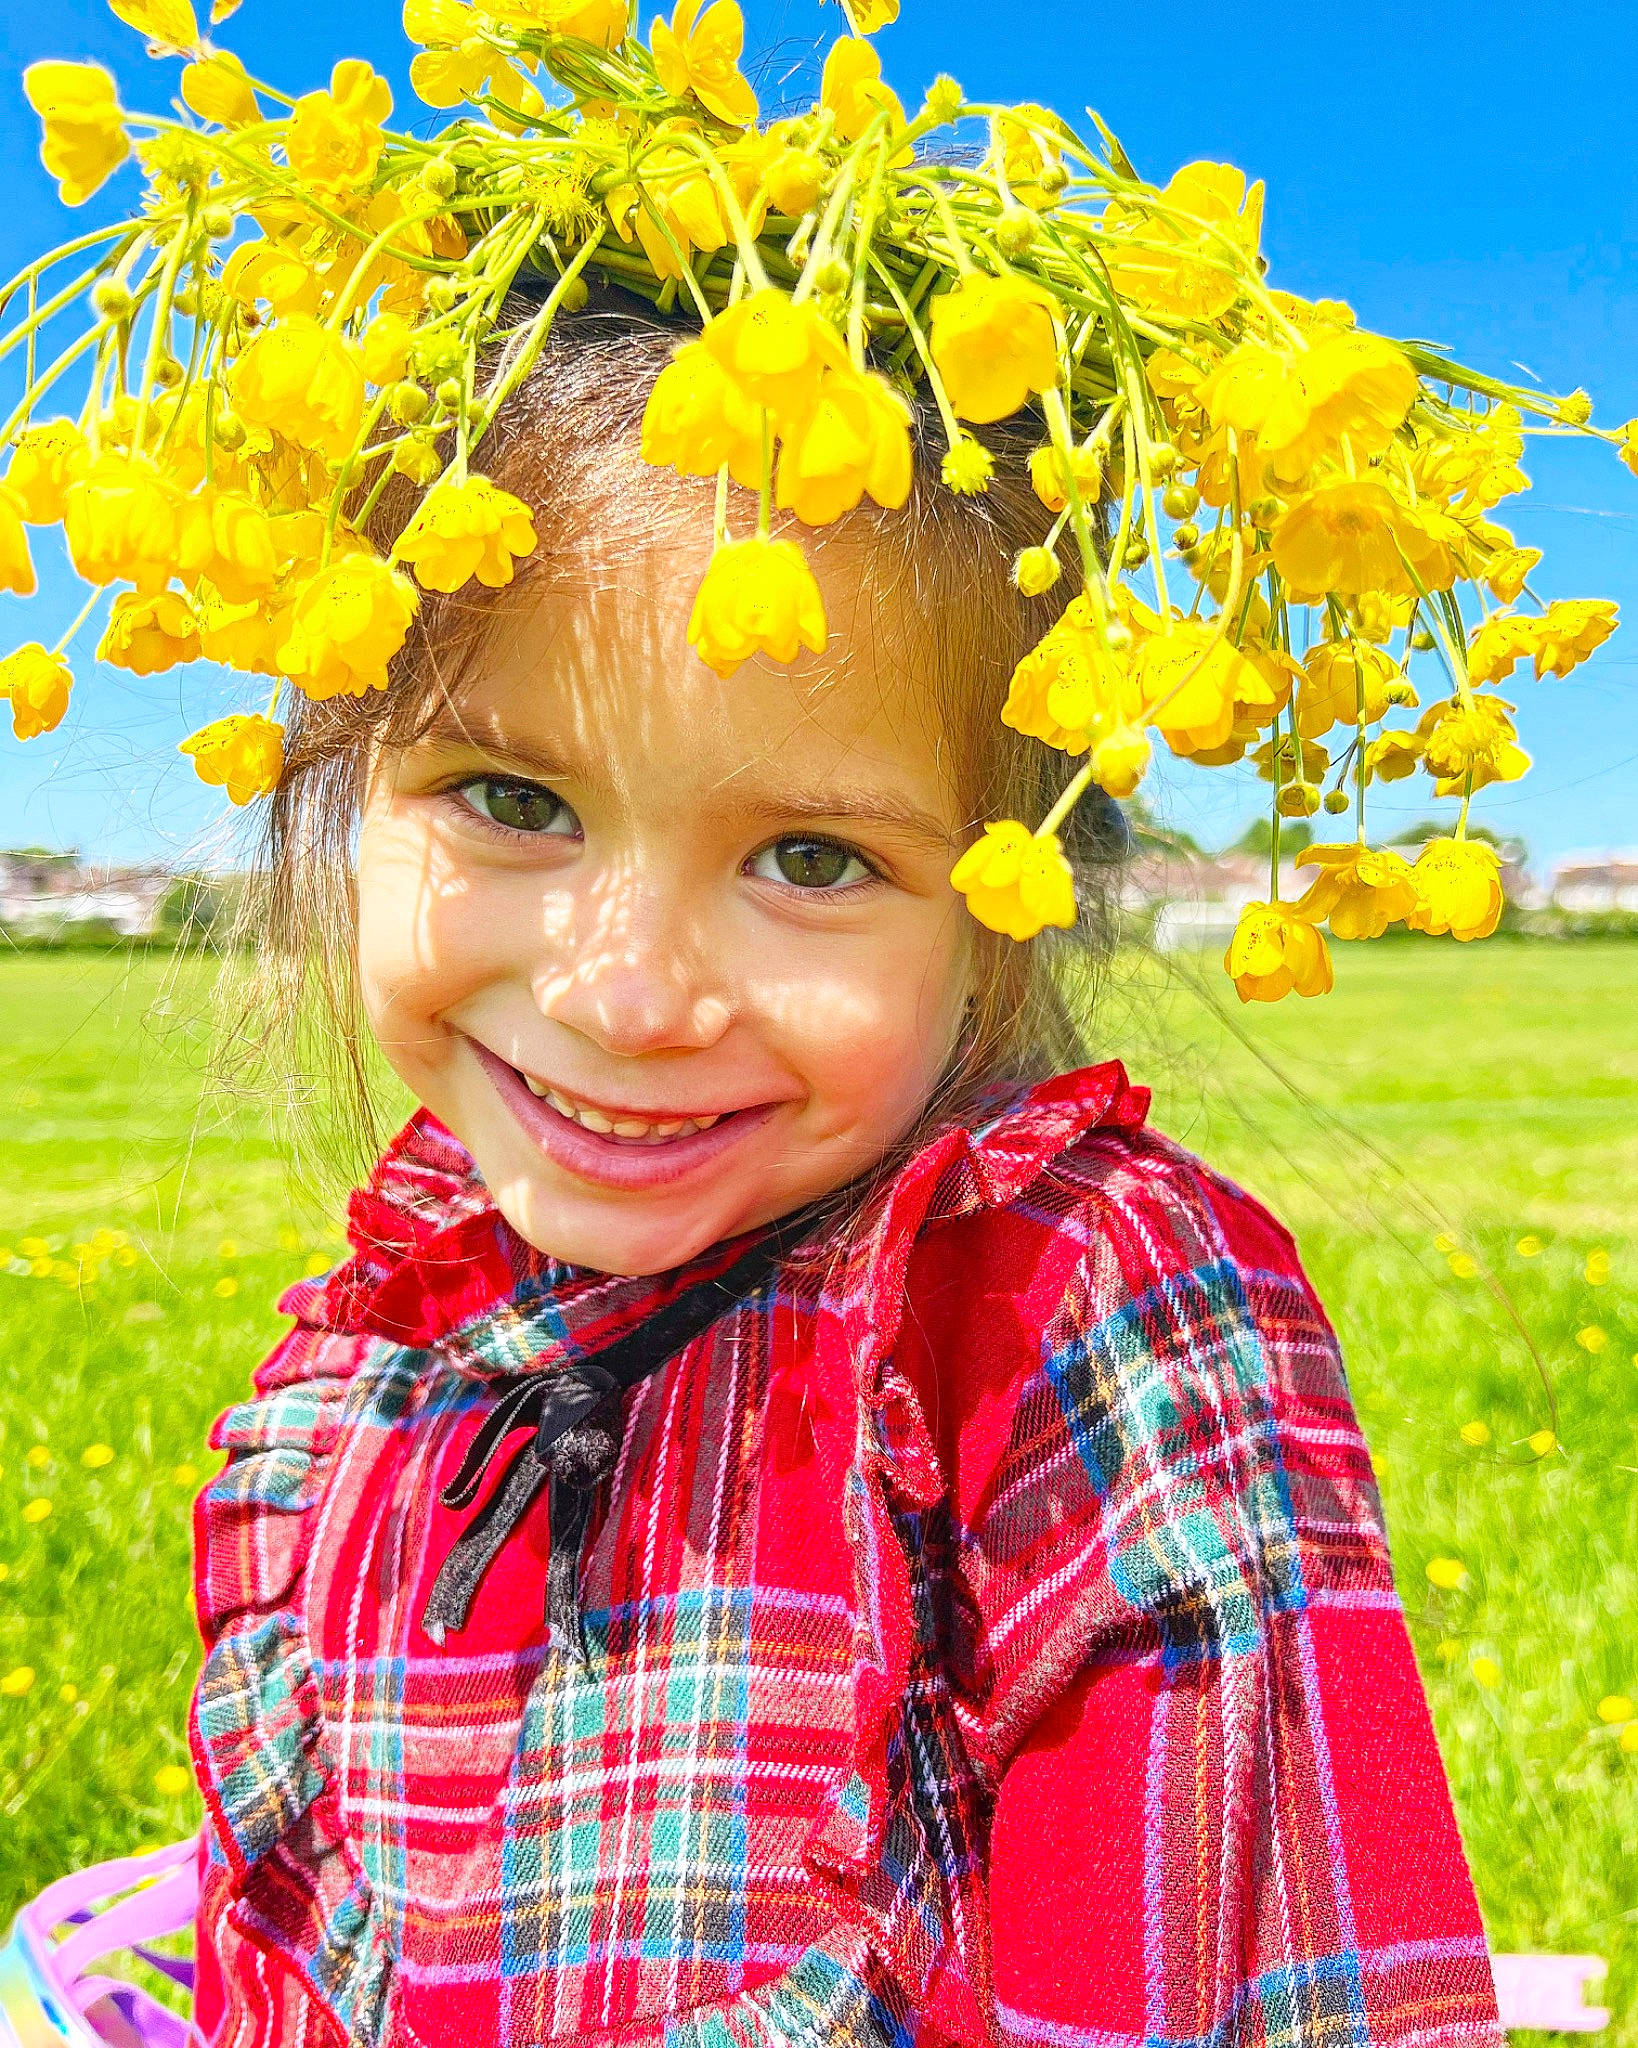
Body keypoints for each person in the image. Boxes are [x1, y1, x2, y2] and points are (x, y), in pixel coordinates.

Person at [185, 294, 1503, 2048]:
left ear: (1010, 899)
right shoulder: (375, 1355)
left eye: (812, 855)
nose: (627, 998)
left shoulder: (1068, 1316)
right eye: (510, 800)